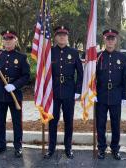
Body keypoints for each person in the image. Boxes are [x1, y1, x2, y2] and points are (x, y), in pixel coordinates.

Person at [0, 30, 30, 158]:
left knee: (17, 122)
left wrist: (14, 85)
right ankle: (1, 146)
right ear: (3, 41)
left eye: (10, 38)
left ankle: (18, 147)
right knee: (0, 122)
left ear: (15, 40)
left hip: (14, 94)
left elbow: (26, 76)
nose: (8, 41)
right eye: (5, 39)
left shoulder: (22, 57)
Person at [44, 26, 83, 159]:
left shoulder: (74, 52)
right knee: (52, 121)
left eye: (64, 35)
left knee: (68, 121)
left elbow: (80, 73)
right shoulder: (49, 52)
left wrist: (78, 90)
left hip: (69, 91)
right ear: (55, 37)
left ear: (67, 37)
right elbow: (44, 73)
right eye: (59, 35)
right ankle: (51, 148)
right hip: (53, 91)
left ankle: (68, 148)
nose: (62, 37)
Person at [95, 29, 126, 160]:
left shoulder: (121, 57)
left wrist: (124, 96)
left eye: (112, 38)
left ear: (116, 40)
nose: (110, 41)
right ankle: (101, 148)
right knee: (100, 124)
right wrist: (92, 93)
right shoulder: (97, 56)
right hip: (101, 95)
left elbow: (125, 78)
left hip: (116, 95)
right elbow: (92, 76)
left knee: (116, 124)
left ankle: (115, 149)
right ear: (104, 40)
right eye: (108, 38)